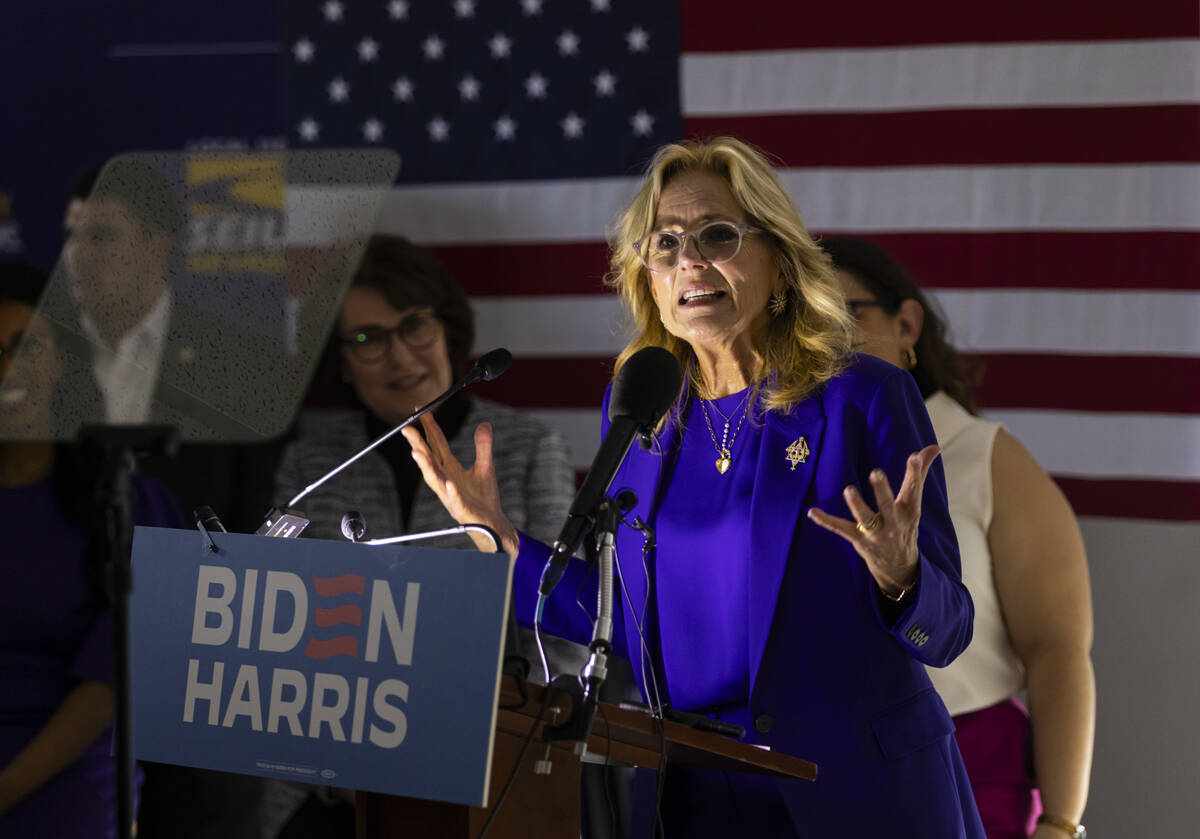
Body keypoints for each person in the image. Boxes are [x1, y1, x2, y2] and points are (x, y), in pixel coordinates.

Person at [399, 137, 984, 837]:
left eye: (717, 235)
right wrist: (496, 539)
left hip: (856, 794)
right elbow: (620, 621)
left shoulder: (864, 397)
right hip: (699, 797)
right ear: (648, 276)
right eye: (666, 243)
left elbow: (949, 628)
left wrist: (903, 578)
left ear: (780, 263)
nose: (690, 261)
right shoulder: (643, 405)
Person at [265, 234, 575, 837]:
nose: (401, 356)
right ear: (342, 362)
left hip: (483, 786)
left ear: (448, 331)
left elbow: (564, 645)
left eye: (414, 327)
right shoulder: (309, 464)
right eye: (367, 339)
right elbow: (279, 641)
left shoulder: (529, 448)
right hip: (333, 796)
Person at [824, 237, 1094, 839]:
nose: (826, 341)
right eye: (804, 321)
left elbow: (1058, 651)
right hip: (827, 779)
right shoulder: (792, 462)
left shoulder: (985, 455)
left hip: (972, 774)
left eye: (845, 316)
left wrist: (1059, 822)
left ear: (907, 324)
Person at [63, 157, 282, 839]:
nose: (76, 257)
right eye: (71, 237)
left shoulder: (239, 365)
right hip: (70, 692)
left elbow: (261, 526)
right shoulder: (40, 362)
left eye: (101, 237)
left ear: (158, 245)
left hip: (205, 688)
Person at [0, 262, 183, 838]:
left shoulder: (125, 503)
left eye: (24, 347)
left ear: (62, 362)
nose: (8, 372)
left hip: (64, 782)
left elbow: (107, 688)